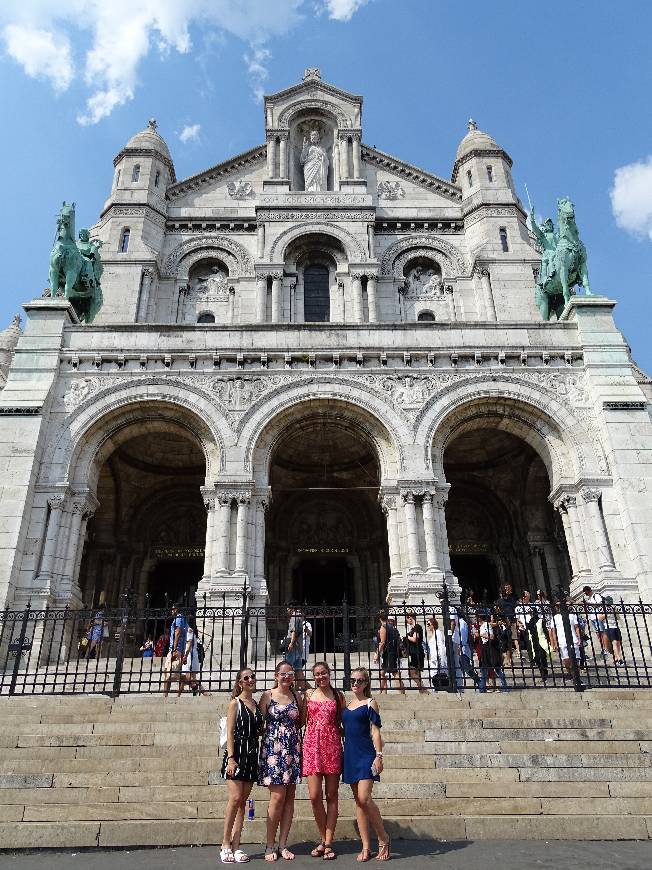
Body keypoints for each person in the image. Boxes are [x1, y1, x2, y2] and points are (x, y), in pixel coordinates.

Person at [342, 668, 391, 862]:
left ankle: (383, 838)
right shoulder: (347, 705)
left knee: (364, 797)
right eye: (353, 680)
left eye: (360, 681)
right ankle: (365, 846)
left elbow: (376, 732)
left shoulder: (371, 703)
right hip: (350, 756)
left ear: (366, 683)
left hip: (366, 755)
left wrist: (379, 756)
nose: (355, 683)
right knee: (359, 802)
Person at [258, 662, 303, 861]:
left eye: (290, 674)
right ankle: (270, 844)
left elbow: (301, 722)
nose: (286, 677)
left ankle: (283, 843)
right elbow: (259, 723)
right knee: (277, 797)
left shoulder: (297, 696)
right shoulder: (267, 696)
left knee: (289, 798)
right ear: (276, 676)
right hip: (273, 751)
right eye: (283, 674)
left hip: (292, 749)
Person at [220, 668, 263, 864]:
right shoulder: (234, 704)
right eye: (246, 677)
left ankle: (237, 845)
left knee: (243, 802)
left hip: (252, 755)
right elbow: (229, 733)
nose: (250, 680)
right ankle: (225, 844)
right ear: (239, 683)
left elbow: (260, 730)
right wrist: (230, 758)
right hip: (236, 754)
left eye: (252, 676)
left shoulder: (256, 703)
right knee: (235, 798)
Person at [303, 662, 344, 860]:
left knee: (331, 794)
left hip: (332, 745)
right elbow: (301, 719)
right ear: (314, 677)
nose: (321, 677)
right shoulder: (309, 695)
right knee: (314, 795)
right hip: (312, 746)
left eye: (324, 673)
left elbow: (344, 721)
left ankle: (327, 842)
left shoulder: (338, 695)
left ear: (329, 674)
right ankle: (322, 836)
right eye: (317, 674)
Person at [373, 612, 404, 694]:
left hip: (389, 653)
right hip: (392, 652)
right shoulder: (392, 627)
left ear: (379, 619)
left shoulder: (384, 627)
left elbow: (382, 642)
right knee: (382, 673)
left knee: (395, 673)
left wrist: (377, 654)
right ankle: (382, 692)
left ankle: (402, 693)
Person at [450, 608, 480, 691]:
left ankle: (479, 681)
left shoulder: (462, 622)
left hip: (463, 648)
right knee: (461, 667)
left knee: (466, 666)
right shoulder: (459, 622)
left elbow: (463, 636)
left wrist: (460, 645)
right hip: (460, 647)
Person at [477, 613, 508, 693]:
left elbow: (491, 636)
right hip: (485, 648)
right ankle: (482, 688)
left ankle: (504, 686)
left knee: (496, 668)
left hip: (490, 649)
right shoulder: (483, 625)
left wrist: (480, 635)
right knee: (484, 669)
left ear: (480, 618)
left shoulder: (486, 625)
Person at [163, 604, 187, 698]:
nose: (171, 611)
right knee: (171, 673)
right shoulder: (182, 619)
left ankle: (165, 696)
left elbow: (177, 632)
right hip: (178, 650)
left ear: (176, 609)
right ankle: (169, 694)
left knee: (168, 673)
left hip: (175, 650)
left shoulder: (179, 618)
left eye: (172, 609)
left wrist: (174, 649)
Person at [552, 603, 582, 674]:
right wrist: (555, 643)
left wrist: (579, 639)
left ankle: (577, 677)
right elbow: (553, 631)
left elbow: (577, 627)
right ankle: (570, 674)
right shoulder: (555, 617)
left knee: (575, 660)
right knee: (566, 660)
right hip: (562, 641)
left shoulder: (572, 616)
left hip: (573, 640)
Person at [582, 586, 610, 657]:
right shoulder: (589, 598)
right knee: (598, 634)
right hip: (592, 618)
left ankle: (606, 649)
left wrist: (589, 603)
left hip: (598, 616)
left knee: (602, 632)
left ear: (588, 591)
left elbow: (600, 604)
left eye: (585, 592)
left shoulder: (596, 596)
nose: (585, 594)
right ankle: (603, 648)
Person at [404, 612, 427, 693]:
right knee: (417, 673)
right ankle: (422, 691)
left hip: (417, 652)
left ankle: (423, 689)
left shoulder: (417, 627)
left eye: (407, 619)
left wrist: (407, 637)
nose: (407, 621)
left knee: (411, 673)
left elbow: (415, 639)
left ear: (410, 618)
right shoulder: (414, 628)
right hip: (415, 652)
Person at [284, 604, 305, 688]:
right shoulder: (300, 617)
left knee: (284, 667)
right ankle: (303, 689)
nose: (287, 611)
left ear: (291, 609)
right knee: (298, 670)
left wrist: (291, 643)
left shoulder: (294, 617)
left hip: (293, 647)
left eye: (287, 609)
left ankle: (279, 688)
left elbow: (293, 631)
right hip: (299, 647)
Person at [425, 617, 448, 690]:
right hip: (434, 659)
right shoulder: (433, 633)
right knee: (433, 676)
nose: (427, 625)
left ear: (433, 624)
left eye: (429, 624)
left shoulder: (438, 633)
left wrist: (441, 660)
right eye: (427, 624)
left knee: (437, 676)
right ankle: (435, 690)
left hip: (438, 659)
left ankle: (438, 690)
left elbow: (441, 647)